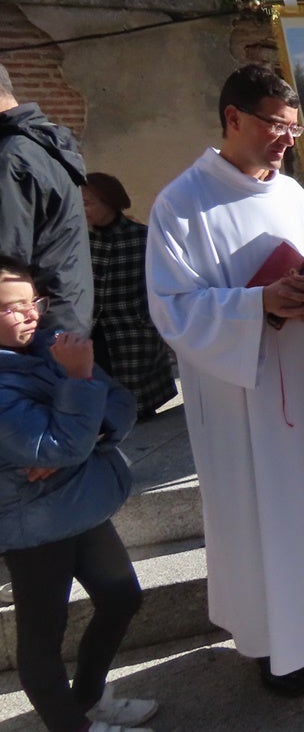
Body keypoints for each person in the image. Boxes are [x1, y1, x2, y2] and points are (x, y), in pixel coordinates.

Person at [146, 66, 304, 697]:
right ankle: (275, 644)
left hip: (301, 374)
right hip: (239, 392)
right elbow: (172, 307)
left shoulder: (293, 195)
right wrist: (256, 305)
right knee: (260, 515)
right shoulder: (181, 203)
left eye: (293, 128)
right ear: (233, 118)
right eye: (275, 124)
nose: (286, 140)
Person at [0, 256, 157, 732]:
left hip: (79, 501)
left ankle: (87, 698)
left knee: (120, 597)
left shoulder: (50, 347)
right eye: (14, 307)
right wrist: (80, 380)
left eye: (34, 302)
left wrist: (82, 433)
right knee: (42, 638)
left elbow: (123, 407)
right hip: (33, 521)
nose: (31, 314)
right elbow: (55, 444)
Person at [0, 62, 92, 335]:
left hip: (32, 330)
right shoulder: (41, 145)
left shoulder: (12, 158)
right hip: (61, 319)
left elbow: (7, 260)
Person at [82, 173, 176, 421]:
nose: (84, 209)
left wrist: (148, 317)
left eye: (89, 202)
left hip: (134, 331)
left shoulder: (143, 237)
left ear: (109, 201)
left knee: (139, 401)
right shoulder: (81, 240)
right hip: (95, 331)